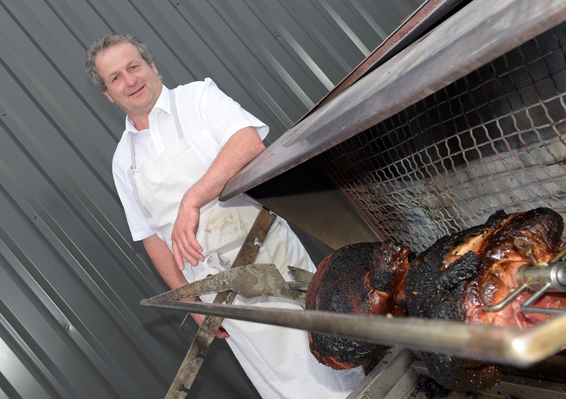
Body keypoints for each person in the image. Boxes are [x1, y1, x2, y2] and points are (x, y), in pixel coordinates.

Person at [85, 33, 364, 398]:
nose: (130, 80)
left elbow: (248, 143)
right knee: (283, 386)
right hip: (221, 297)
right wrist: (190, 302)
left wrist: (193, 199)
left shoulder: (198, 98)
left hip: (272, 265)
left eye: (134, 66)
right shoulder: (124, 161)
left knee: (329, 361)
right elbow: (152, 238)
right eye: (116, 77)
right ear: (108, 94)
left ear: (152, 66)